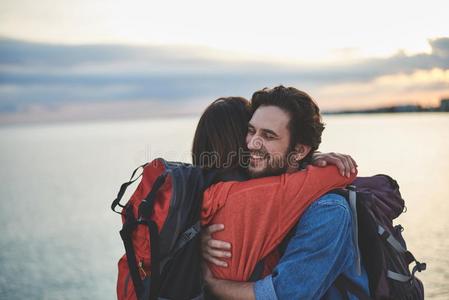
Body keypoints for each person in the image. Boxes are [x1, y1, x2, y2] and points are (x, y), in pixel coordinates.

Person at [201, 86, 370, 299]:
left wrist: (213, 283)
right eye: (251, 130)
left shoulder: (328, 211)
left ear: (299, 150)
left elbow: (285, 295)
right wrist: (200, 238)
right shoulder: (254, 189)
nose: (252, 143)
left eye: (268, 136)